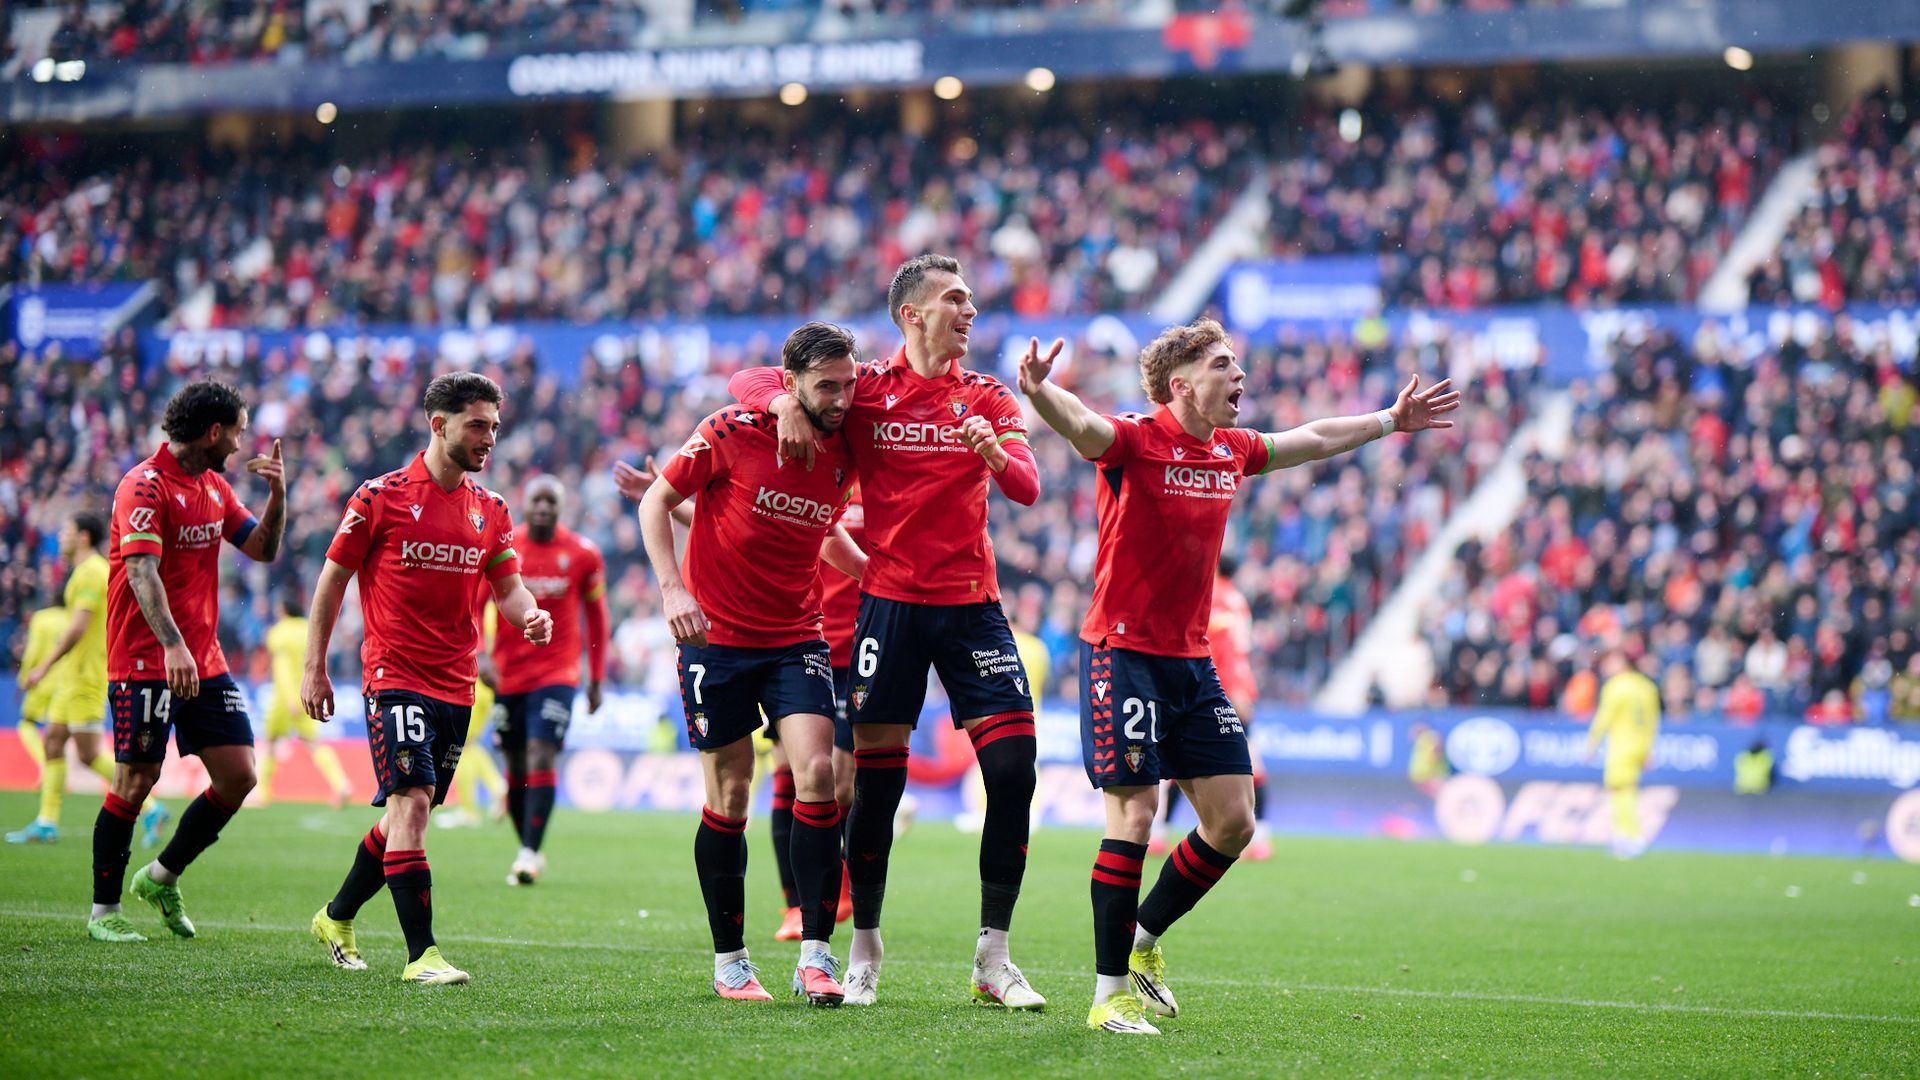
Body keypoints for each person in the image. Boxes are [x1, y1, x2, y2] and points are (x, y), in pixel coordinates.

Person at [1017, 317, 1457, 1035]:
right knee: (1134, 815)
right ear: (1182, 383)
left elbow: (1311, 439)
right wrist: (1040, 393)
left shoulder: (1231, 449)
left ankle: (1143, 945)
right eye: (1225, 365)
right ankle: (1106, 999)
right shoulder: (1133, 440)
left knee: (1233, 822)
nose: (1240, 376)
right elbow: (1081, 426)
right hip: (1123, 654)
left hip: (1191, 661)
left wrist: (1389, 420)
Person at [729, 255, 1046, 1009]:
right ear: (912, 314)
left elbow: (1029, 487)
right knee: (873, 787)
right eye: (955, 299)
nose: (970, 310)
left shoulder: (989, 396)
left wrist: (995, 453)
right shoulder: (866, 389)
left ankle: (992, 956)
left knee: (1013, 770)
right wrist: (780, 405)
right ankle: (865, 945)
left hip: (972, 604)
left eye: (970, 298)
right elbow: (749, 379)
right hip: (891, 607)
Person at [642, 321, 866, 1005]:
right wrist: (673, 589)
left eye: (848, 384)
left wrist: (878, 577)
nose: (841, 398)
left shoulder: (847, 447)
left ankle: (817, 957)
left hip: (797, 635)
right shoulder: (732, 431)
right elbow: (658, 501)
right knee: (731, 794)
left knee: (819, 775)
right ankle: (731, 962)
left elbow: (824, 530)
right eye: (825, 386)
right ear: (791, 382)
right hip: (716, 640)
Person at [303, 372, 552, 985]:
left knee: (400, 815)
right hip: (394, 675)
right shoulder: (379, 497)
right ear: (438, 425)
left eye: (494, 425)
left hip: (457, 685)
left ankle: (335, 918)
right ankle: (423, 957)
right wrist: (315, 666)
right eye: (477, 425)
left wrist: (530, 617)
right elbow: (332, 581)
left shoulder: (489, 509)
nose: (489, 437)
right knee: (412, 804)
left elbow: (508, 587)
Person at [88, 381, 288, 943]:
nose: (242, 442)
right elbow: (141, 573)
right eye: (239, 431)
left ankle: (162, 875)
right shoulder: (143, 486)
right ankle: (104, 913)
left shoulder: (215, 488)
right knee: (136, 779)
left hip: (203, 660)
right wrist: (173, 645)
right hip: (146, 657)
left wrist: (278, 496)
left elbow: (263, 550)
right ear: (214, 432)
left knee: (240, 774)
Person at [492, 475, 610, 885]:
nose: (543, 508)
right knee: (514, 764)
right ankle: (526, 845)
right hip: (507, 674)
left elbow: (597, 618)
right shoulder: (506, 549)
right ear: (525, 504)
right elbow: (473, 602)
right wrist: (478, 655)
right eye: (536, 501)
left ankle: (529, 852)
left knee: (541, 753)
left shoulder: (583, 554)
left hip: (558, 672)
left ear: (560, 508)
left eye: (550, 502)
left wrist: (596, 676)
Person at [1151, 556, 1270, 861]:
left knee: (1190, 763)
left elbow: (1222, 650)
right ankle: (1259, 838)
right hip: (1234, 687)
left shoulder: (1214, 597)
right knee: (1244, 767)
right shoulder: (1237, 600)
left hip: (1214, 690)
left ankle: (1161, 834)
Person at [8, 514, 118, 844]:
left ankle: (149, 803)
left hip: (86, 675)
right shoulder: (82, 571)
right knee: (53, 740)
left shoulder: (91, 572)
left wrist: (43, 667)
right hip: (73, 676)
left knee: (87, 754)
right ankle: (46, 821)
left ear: (83, 537)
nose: (61, 535)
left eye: (67, 531)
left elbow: (79, 627)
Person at [258, 596, 353, 809]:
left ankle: (263, 793)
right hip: (308, 694)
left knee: (272, 743)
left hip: (285, 698)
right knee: (313, 744)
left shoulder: (278, 633)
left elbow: (281, 669)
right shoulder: (307, 629)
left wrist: (290, 699)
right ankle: (341, 784)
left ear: (283, 609)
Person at [1587, 649, 1662, 859]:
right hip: (1639, 746)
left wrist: (1592, 743)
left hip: (1621, 746)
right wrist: (1648, 749)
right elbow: (1652, 721)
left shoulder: (1617, 686)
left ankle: (1630, 836)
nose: (1607, 667)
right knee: (1627, 790)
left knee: (1619, 791)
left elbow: (1604, 717)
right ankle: (1624, 836)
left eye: (1611, 662)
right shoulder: (1647, 687)